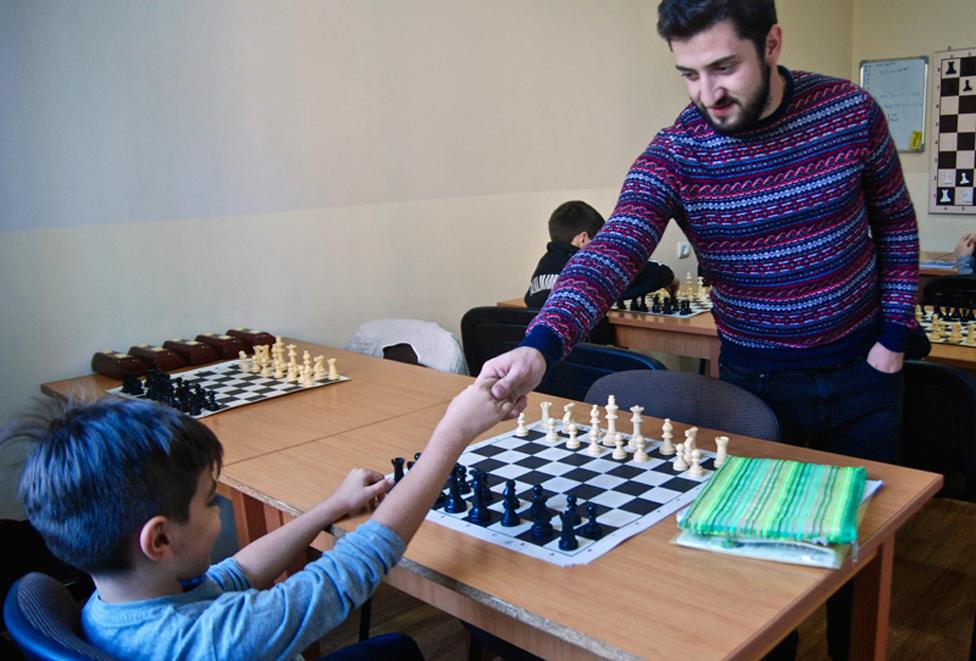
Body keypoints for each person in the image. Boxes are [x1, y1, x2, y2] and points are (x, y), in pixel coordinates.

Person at [482, 0, 918, 467]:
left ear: (771, 43)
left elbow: (896, 225)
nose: (708, 94)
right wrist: (540, 345)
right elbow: (614, 249)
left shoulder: (850, 112)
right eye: (689, 74)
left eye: (724, 68)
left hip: (866, 370)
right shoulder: (678, 150)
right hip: (755, 386)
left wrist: (893, 340)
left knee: (870, 528)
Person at [7, 384, 512, 660]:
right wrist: (452, 433)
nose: (220, 511)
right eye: (210, 502)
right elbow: (350, 571)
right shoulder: (216, 643)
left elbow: (234, 577)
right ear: (159, 538)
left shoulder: (121, 602)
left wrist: (329, 508)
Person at [524, 200, 674, 309]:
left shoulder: (544, 265)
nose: (601, 248)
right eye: (598, 241)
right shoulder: (587, 266)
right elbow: (659, 273)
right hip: (586, 349)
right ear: (583, 239)